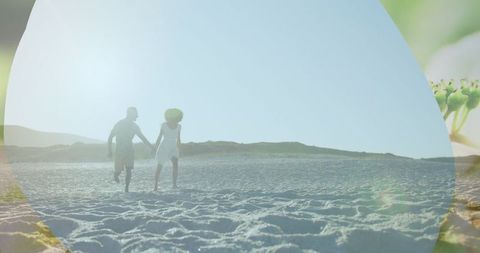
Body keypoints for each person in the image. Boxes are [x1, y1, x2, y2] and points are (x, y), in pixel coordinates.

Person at [108, 107, 153, 192]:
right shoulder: (120, 123)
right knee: (118, 170)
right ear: (130, 114)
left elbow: (142, 137)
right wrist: (109, 151)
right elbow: (110, 137)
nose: (137, 117)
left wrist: (151, 147)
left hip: (129, 148)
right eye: (135, 115)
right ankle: (116, 174)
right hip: (119, 148)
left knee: (129, 169)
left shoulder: (135, 126)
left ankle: (127, 188)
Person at [153, 108, 183, 190]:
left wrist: (179, 148)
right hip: (164, 145)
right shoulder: (164, 125)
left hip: (174, 146)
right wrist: (155, 147)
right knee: (160, 165)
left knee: (175, 164)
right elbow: (159, 137)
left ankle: (174, 184)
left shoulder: (179, 126)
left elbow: (179, 139)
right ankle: (155, 185)